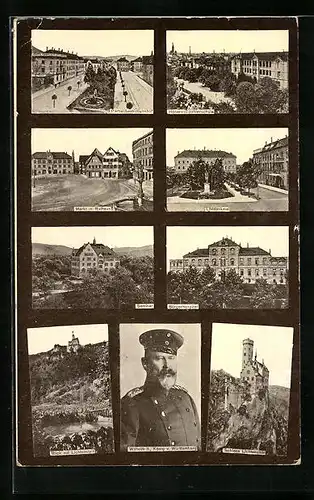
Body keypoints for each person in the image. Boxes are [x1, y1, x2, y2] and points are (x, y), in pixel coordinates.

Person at [120, 328, 201, 451]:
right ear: (145, 363)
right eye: (159, 358)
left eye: (171, 358)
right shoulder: (132, 404)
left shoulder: (186, 398)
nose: (167, 365)